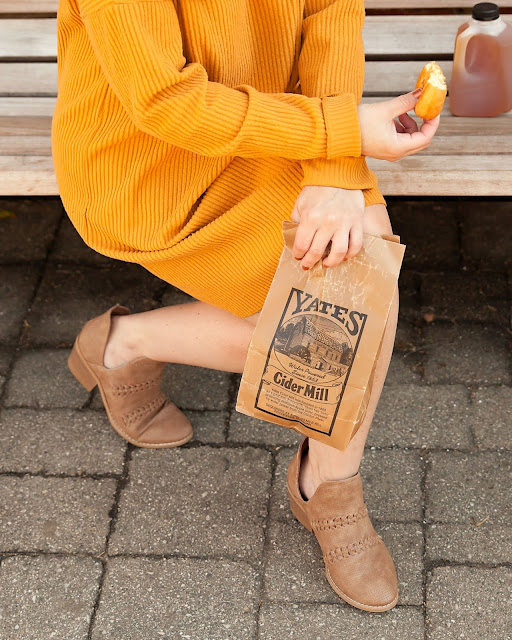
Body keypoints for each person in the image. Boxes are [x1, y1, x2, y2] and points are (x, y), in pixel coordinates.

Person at [52, 0, 439, 614]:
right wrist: (338, 133)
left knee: (361, 280)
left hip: (267, 131)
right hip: (146, 164)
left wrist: (335, 170)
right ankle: (126, 343)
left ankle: (327, 484)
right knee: (342, 329)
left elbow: (331, 17)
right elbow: (163, 100)